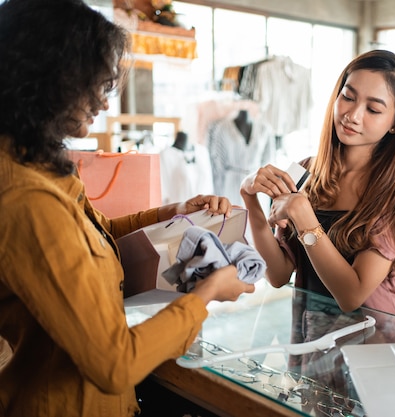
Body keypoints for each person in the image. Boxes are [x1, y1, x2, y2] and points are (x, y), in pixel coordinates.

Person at [0, 1, 255, 416]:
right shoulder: (26, 198)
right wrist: (207, 293)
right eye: (95, 86)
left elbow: (98, 236)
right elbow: (114, 363)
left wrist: (174, 212)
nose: (103, 104)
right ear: (48, 80)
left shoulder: (41, 166)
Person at [240, 49, 395, 318]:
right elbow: (278, 274)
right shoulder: (305, 170)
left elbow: (351, 295)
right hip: (313, 339)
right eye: (348, 97)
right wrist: (250, 197)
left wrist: (303, 215)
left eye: (373, 109)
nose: (352, 115)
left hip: (375, 341)